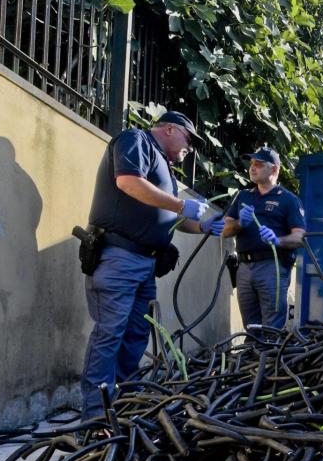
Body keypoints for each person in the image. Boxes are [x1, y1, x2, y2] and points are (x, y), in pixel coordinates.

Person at [80, 111, 224, 420]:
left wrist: (202, 227)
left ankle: (124, 404)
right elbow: (129, 182)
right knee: (110, 333)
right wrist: (180, 204)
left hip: (144, 264)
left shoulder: (166, 169)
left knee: (135, 336)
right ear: (170, 128)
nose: (191, 148)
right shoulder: (136, 141)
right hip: (119, 257)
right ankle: (94, 417)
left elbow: (172, 217)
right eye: (190, 139)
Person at [216, 147, 306, 331]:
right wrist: (241, 222)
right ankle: (252, 359)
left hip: (272, 267)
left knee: (271, 328)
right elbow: (224, 231)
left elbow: (300, 237)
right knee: (251, 327)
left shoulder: (288, 200)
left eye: (259, 164)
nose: (252, 168)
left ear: (274, 169)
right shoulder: (243, 196)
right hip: (244, 268)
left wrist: (278, 240)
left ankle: (270, 359)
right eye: (251, 164)